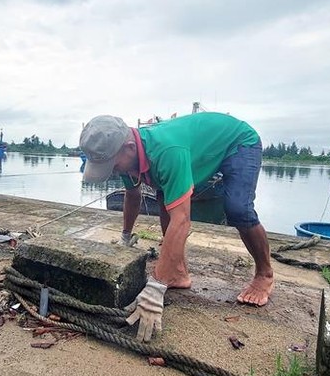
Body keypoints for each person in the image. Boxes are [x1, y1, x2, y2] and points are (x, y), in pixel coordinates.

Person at [79, 112, 273, 342]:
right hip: (191, 151)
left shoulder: (166, 150)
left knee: (238, 210)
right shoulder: (126, 157)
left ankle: (264, 274)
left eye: (112, 165)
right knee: (164, 198)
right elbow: (132, 194)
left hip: (238, 142)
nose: (113, 171)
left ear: (129, 147)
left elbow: (182, 220)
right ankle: (178, 273)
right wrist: (125, 236)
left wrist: (155, 286)